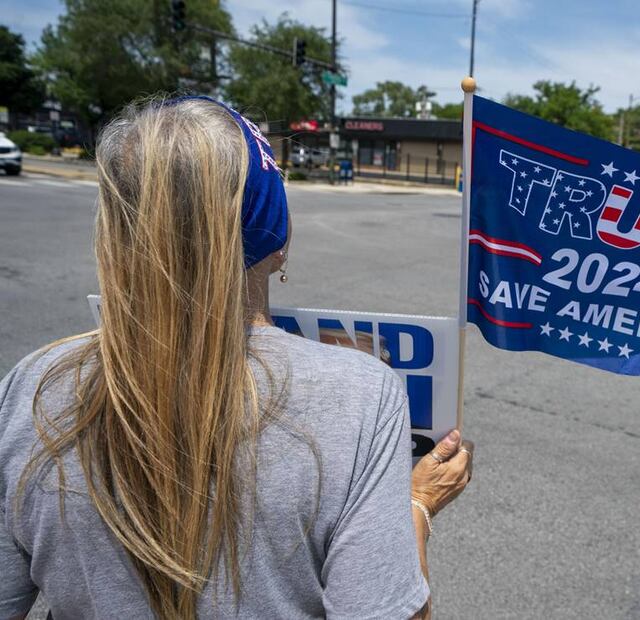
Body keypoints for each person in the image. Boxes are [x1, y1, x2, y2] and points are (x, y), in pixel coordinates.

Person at [0, 96, 472, 619]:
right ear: (278, 242)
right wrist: (417, 507)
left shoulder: (32, 388)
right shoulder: (365, 395)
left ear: (116, 226)